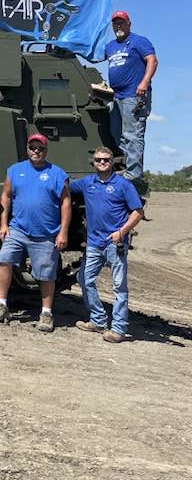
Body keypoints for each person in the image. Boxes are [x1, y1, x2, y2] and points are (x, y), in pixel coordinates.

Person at [0, 133, 71, 332]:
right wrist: (3, 224)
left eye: (40, 148)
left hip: (45, 233)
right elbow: (6, 197)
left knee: (46, 274)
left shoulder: (58, 174)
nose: (36, 151)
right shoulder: (15, 170)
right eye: (32, 147)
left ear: (46, 150)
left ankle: (46, 313)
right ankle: (1, 304)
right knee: (4, 260)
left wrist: (63, 232)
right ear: (27, 149)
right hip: (17, 228)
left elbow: (66, 203)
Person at [70, 146, 144, 343]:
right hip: (94, 243)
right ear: (93, 163)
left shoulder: (123, 185)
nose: (102, 162)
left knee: (119, 286)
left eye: (106, 160)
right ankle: (98, 320)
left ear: (112, 163)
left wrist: (122, 232)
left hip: (115, 243)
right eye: (98, 160)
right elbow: (65, 186)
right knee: (84, 279)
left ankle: (118, 329)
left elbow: (137, 212)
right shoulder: (88, 183)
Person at [104, 11, 158, 186]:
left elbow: (152, 61)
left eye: (121, 23)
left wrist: (144, 82)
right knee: (116, 133)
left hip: (134, 96)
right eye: (115, 23)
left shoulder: (138, 41)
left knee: (133, 134)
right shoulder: (111, 46)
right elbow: (96, 57)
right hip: (116, 96)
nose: (118, 26)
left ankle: (133, 174)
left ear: (129, 24)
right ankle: (127, 166)